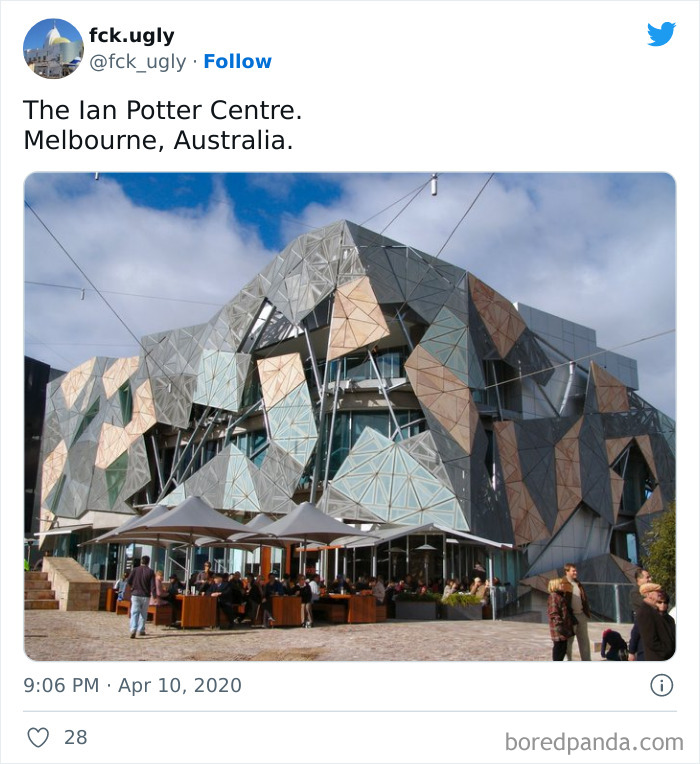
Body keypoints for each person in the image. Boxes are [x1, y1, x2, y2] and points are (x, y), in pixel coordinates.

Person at [636, 583, 675, 660]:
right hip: (657, 657)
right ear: (648, 594)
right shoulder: (645, 612)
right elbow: (650, 640)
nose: (660, 594)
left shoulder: (654, 610)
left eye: (660, 591)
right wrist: (666, 651)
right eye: (657, 592)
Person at [563, 563, 591, 661]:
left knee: (584, 641)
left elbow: (584, 599)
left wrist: (586, 613)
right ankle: (568, 660)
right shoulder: (563, 584)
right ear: (567, 571)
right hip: (571, 617)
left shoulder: (578, 583)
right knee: (569, 641)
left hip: (581, 615)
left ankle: (587, 660)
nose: (576, 572)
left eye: (576, 570)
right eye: (573, 571)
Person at [126, 555, 156, 638]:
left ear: (141, 561)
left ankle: (133, 629)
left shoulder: (135, 570)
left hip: (135, 594)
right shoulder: (150, 572)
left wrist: (132, 587)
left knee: (134, 612)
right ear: (148, 562)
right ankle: (141, 629)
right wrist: (154, 595)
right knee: (143, 613)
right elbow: (153, 585)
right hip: (145, 595)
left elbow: (128, 581)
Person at [547, 577, 575, 661]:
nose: (563, 585)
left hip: (563, 628)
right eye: (561, 584)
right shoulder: (554, 596)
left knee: (562, 649)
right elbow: (553, 612)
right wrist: (559, 625)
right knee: (559, 650)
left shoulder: (560, 595)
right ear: (555, 585)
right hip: (559, 629)